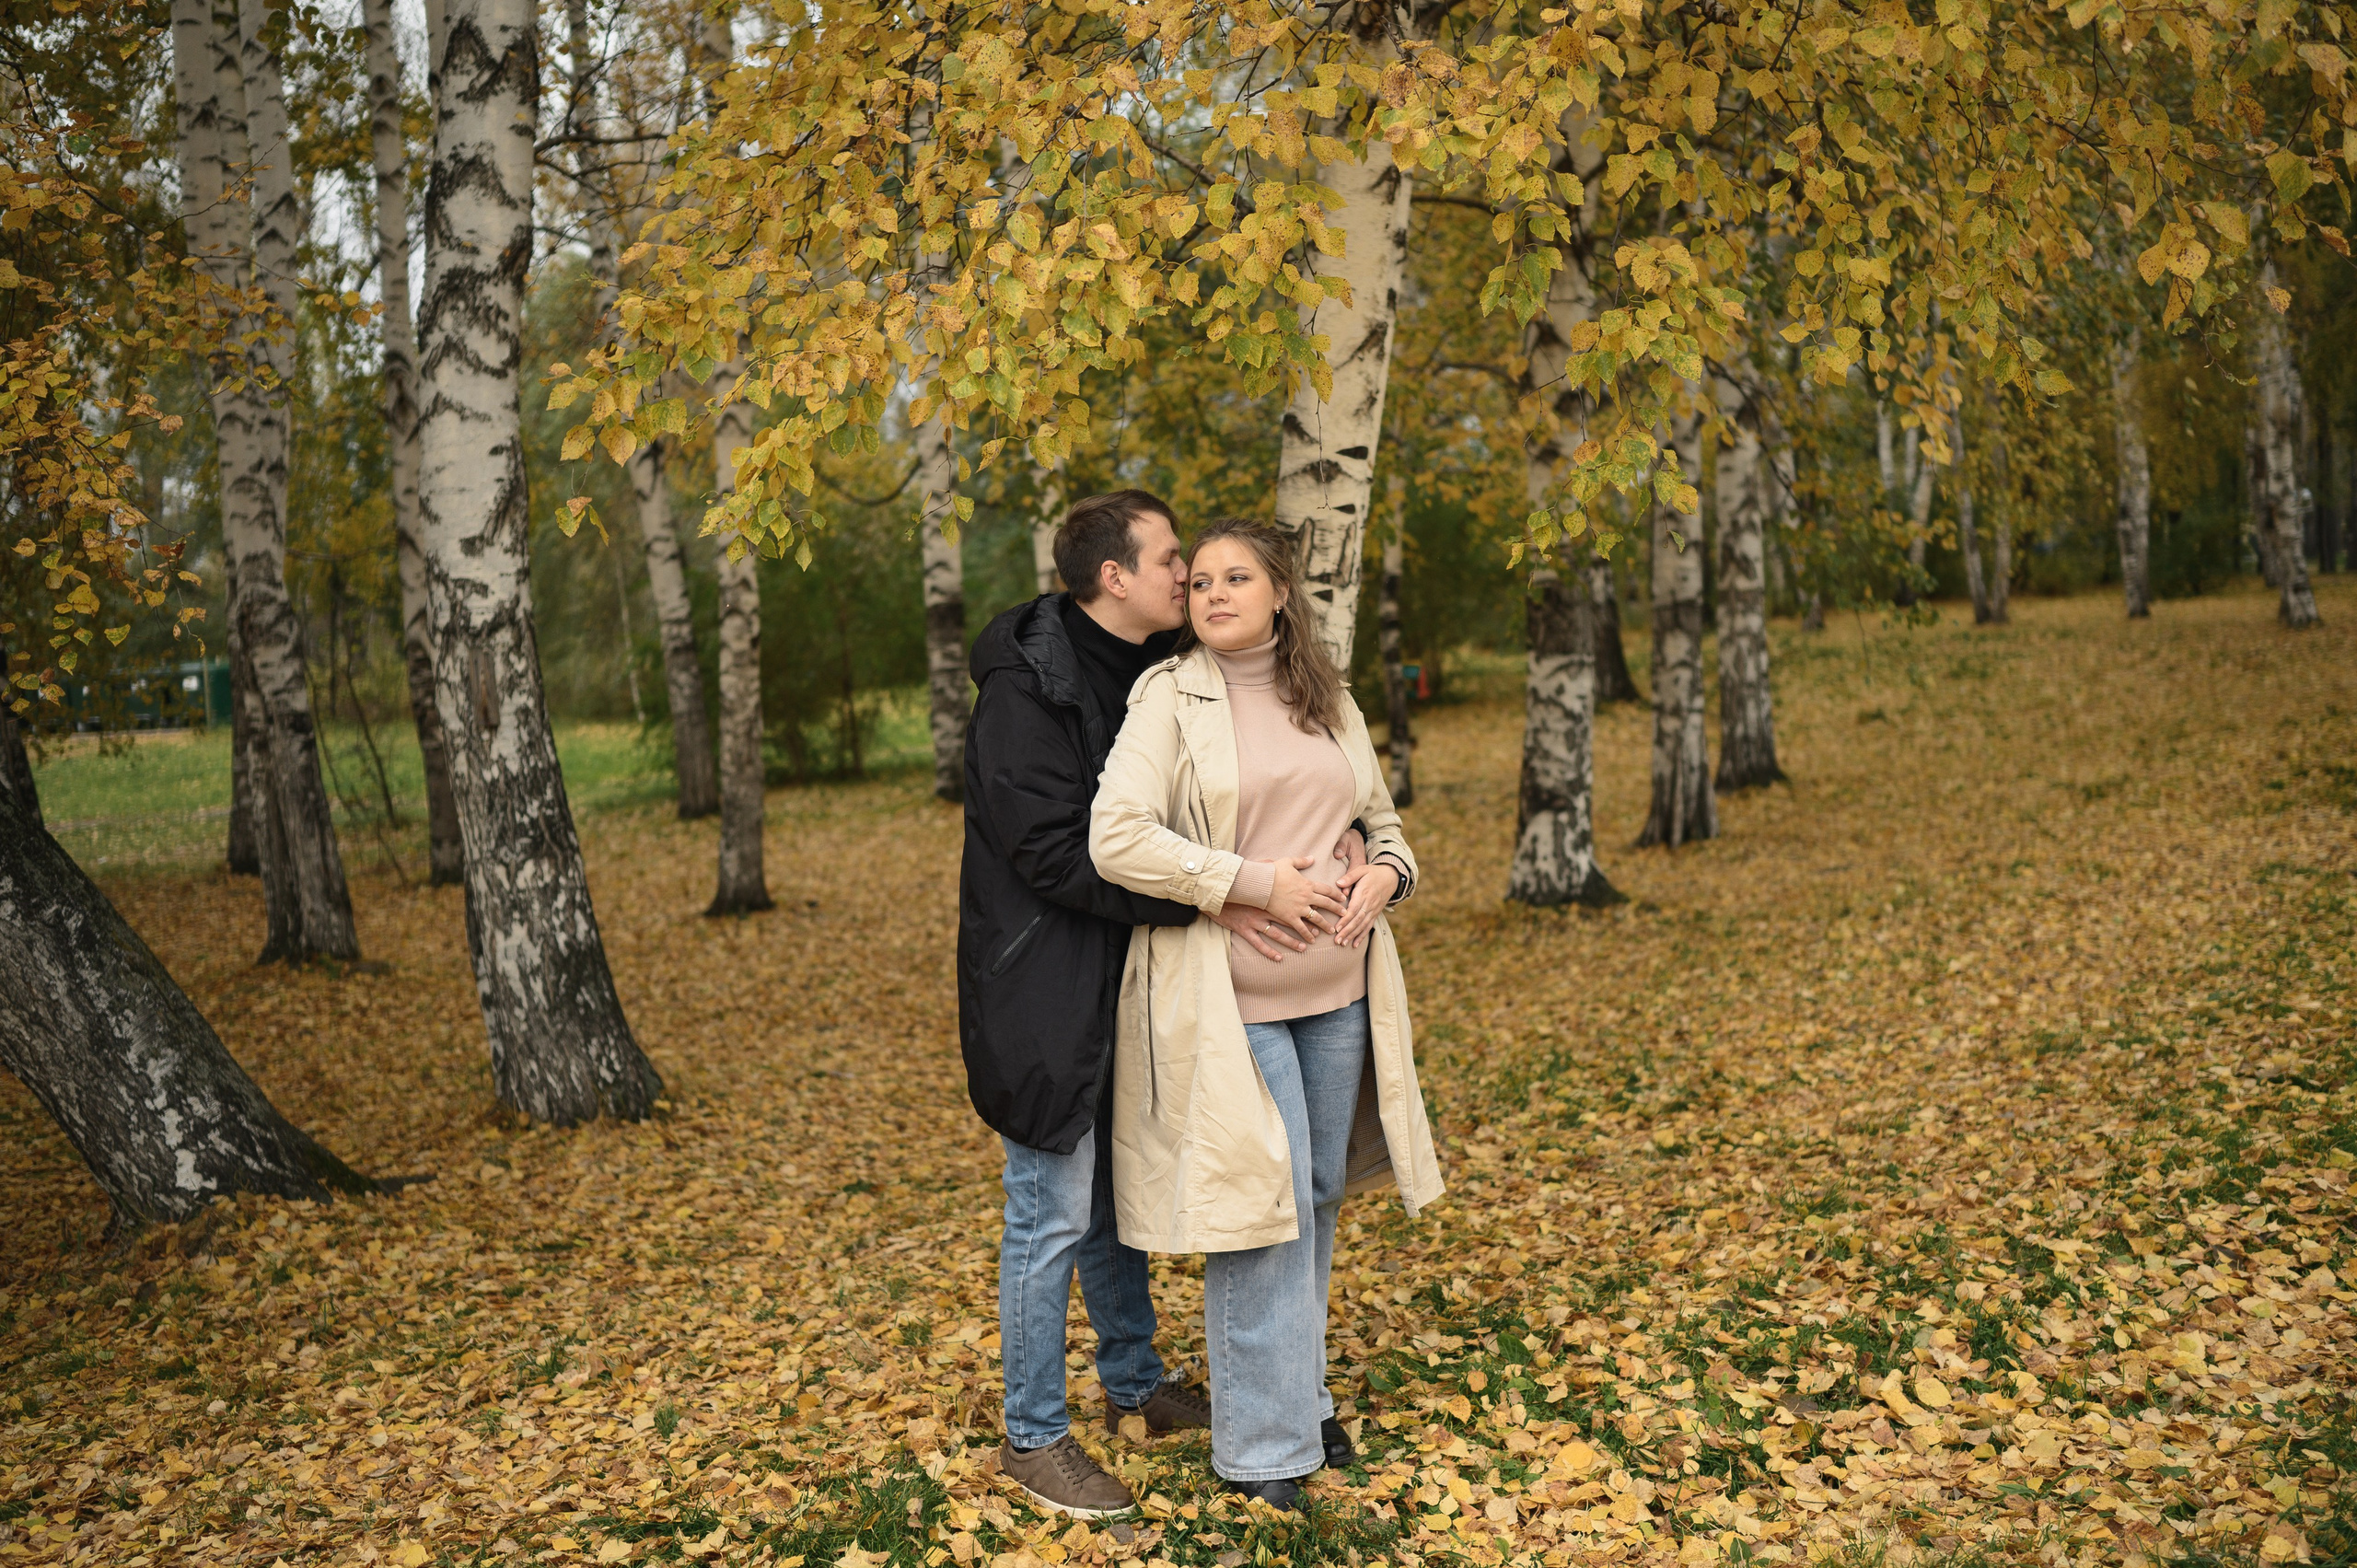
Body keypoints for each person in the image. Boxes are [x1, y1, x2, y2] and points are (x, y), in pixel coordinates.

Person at [958, 493, 1355, 1517]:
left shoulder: (1161, 668)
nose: (1190, 576)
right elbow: (1056, 853)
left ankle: (1132, 1382)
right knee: (1051, 1205)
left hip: (1137, 971)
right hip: (1043, 980)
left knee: (1111, 1196)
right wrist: (1225, 892)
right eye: (1174, 559)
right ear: (1115, 577)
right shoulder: (1025, 688)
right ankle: (1032, 1435)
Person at [1088, 517, 1446, 1511]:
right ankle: (1260, 1452)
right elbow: (1116, 836)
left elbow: (1382, 823)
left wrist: (1387, 873)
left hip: (1340, 993)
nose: (1213, 593)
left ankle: (1298, 1398)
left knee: (1316, 1195)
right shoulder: (1169, 695)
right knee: (1260, 1207)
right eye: (1200, 580)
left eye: (1236, 577)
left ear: (1280, 592)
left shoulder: (1328, 696)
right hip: (1230, 1002)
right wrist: (1249, 882)